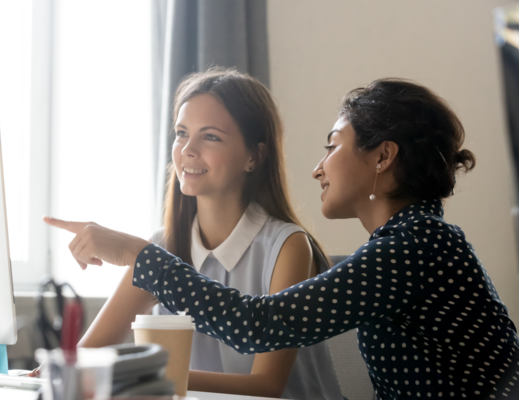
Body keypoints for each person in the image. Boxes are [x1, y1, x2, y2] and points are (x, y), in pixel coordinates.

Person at [47, 78, 519, 399]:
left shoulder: (415, 247)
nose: (319, 167)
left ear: (383, 156)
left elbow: (259, 325)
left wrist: (136, 254)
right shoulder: (410, 243)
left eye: (333, 146)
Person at [41, 68, 343, 400]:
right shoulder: (164, 247)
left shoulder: (288, 246)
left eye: (210, 136)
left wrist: (144, 375)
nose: (187, 149)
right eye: (181, 133)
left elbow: (266, 385)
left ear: (253, 157)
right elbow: (87, 354)